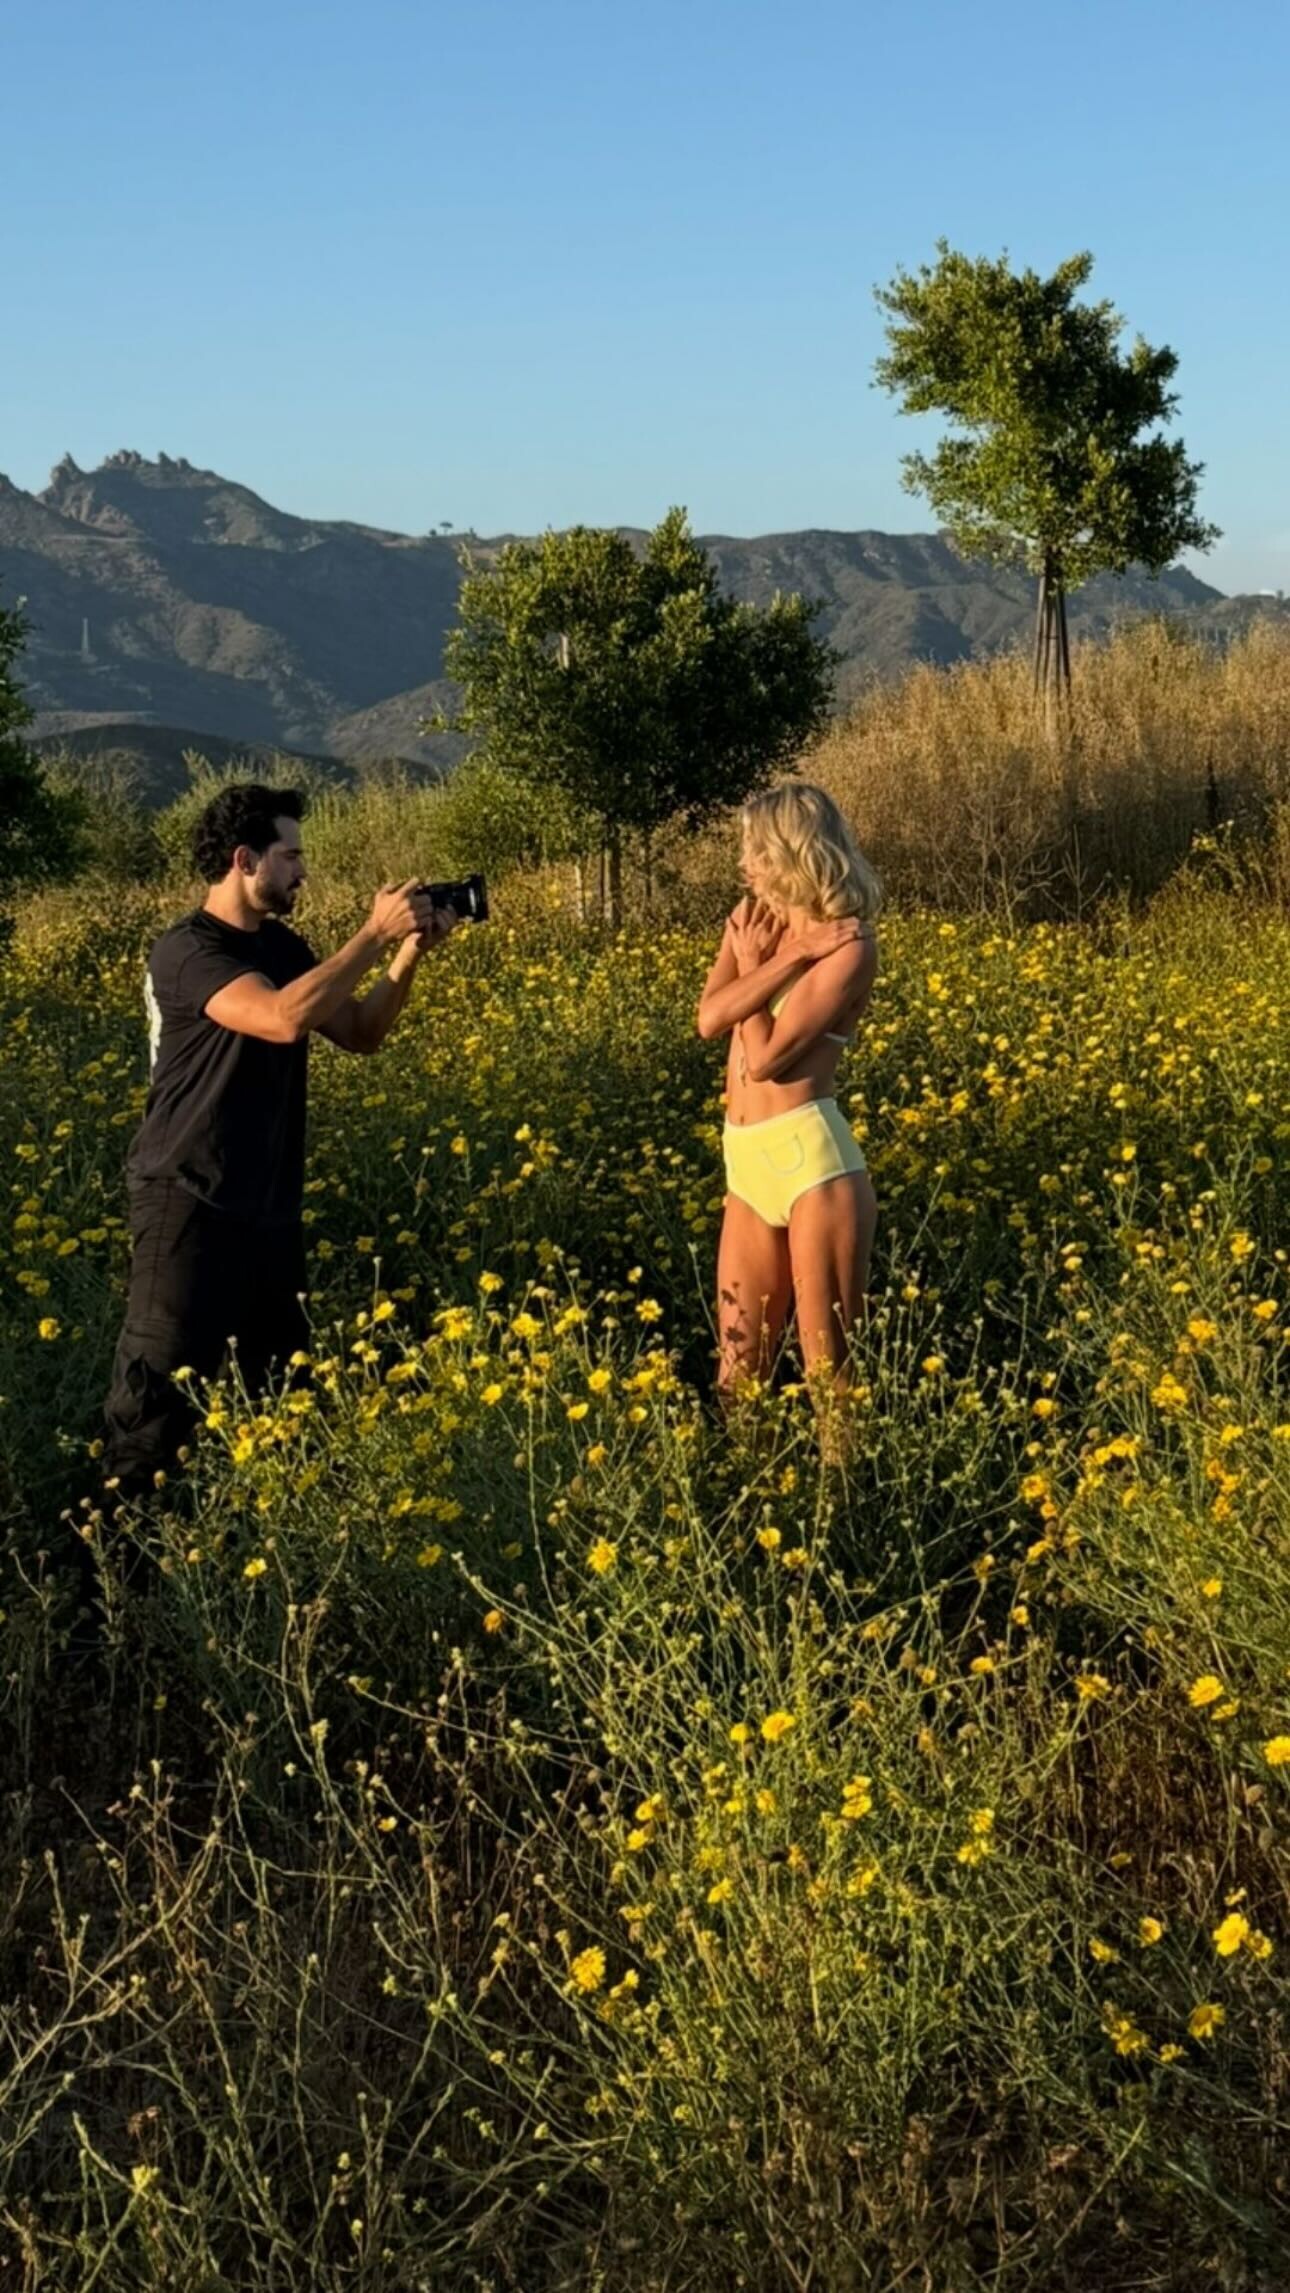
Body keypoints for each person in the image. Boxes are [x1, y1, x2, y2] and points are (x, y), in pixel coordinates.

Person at [102, 782, 455, 1501]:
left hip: (266, 1209)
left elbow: (361, 1032)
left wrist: (407, 954)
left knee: (283, 1399)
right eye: (290, 856)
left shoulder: (283, 947)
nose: (303, 871)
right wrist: (371, 934)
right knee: (154, 1410)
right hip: (187, 1202)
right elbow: (280, 1018)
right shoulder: (187, 950)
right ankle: (114, 1561)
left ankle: (263, 1546)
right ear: (244, 860)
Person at [697, 782, 880, 1435]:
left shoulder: (850, 946)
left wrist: (762, 968)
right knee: (737, 1374)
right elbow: (709, 1018)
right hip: (746, 1166)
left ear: (791, 852)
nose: (745, 864)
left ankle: (843, 1494)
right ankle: (747, 1490)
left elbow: (770, 1056)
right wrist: (782, 956)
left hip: (812, 1166)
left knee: (829, 1373)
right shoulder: (752, 923)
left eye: (756, 851)